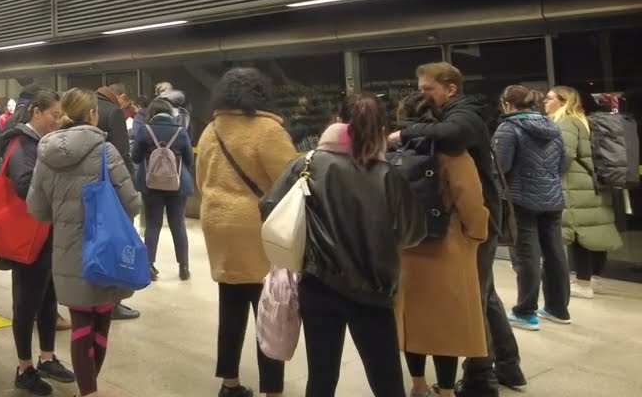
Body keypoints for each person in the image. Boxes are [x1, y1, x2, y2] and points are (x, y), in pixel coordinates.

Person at [261, 93, 425, 397]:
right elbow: (413, 232)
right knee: (387, 380)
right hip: (373, 292)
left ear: (338, 121)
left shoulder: (307, 163)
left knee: (321, 378)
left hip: (318, 284)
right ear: (381, 129)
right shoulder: (388, 175)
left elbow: (270, 207)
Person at [391, 62, 525, 395]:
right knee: (484, 295)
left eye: (427, 89)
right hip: (472, 221)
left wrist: (404, 133)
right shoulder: (457, 116)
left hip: (472, 222)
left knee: (473, 300)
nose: (422, 94)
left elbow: (452, 138)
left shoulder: (464, 115)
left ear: (451, 89)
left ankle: (482, 377)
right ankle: (506, 365)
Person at [26, 88, 141, 397]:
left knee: (80, 323)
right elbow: (131, 204)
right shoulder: (106, 152)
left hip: (67, 252)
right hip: (104, 250)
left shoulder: (46, 153)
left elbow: (36, 208)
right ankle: (87, 390)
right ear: (92, 115)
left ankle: (87, 393)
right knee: (101, 321)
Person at [195, 67, 295, 397]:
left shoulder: (211, 130)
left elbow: (200, 181)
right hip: (256, 228)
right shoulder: (267, 130)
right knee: (270, 311)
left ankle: (229, 383)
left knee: (231, 304)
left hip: (217, 223)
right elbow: (290, 181)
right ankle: (272, 389)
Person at [396, 94, 490, 397]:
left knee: (412, 320)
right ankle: (447, 390)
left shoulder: (393, 151)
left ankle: (418, 384)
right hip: (446, 245)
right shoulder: (453, 153)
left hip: (405, 246)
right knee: (445, 323)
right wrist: (476, 235)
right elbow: (471, 202)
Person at [0, 87, 76, 395]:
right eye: (54, 115)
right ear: (36, 113)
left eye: (60, 116)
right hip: (27, 236)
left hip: (46, 233)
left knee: (48, 298)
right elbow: (23, 185)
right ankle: (24, 367)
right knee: (26, 303)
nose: (57, 121)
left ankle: (47, 357)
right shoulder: (21, 144)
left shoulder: (42, 143)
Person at [494, 84, 571, 330]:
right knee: (555, 253)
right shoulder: (553, 127)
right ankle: (558, 308)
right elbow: (563, 163)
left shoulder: (508, 127)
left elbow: (501, 166)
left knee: (527, 255)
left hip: (521, 199)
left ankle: (525, 311)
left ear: (507, 104)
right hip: (553, 198)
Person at [546, 86, 622, 299]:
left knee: (578, 232)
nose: (545, 101)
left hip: (575, 185)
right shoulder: (583, 120)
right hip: (590, 184)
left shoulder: (566, 122)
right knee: (595, 230)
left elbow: (565, 155)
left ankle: (583, 282)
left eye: (550, 98)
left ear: (563, 101)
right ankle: (594, 277)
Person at [131, 97, 195, 282]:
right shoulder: (181, 132)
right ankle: (183, 267)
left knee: (153, 224)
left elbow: (135, 158)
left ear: (152, 113)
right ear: (169, 113)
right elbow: (190, 161)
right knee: (178, 224)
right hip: (177, 185)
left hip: (151, 186)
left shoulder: (145, 130)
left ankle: (149, 266)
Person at [93, 82, 138, 321]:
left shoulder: (86, 106)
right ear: (119, 97)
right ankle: (113, 304)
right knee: (117, 246)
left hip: (86, 190)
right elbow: (121, 154)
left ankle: (92, 300)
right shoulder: (113, 112)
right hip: (111, 190)